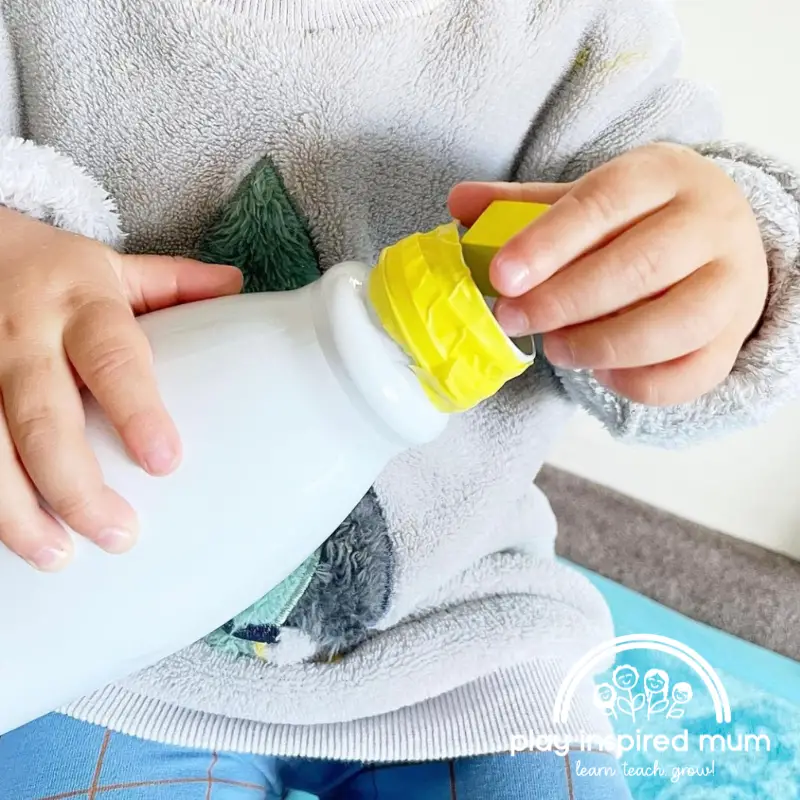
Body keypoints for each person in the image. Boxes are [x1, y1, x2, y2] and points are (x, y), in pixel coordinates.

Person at [0, 0, 798, 797]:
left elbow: (664, 309)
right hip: (100, 628)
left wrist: (725, 274)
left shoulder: (576, 33)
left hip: (466, 627)